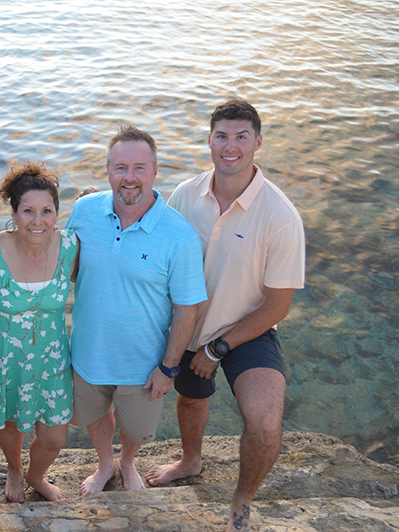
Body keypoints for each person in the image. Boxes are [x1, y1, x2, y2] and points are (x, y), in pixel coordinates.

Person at [146, 100, 305, 532]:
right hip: (190, 325)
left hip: (246, 330)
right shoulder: (186, 195)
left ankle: (241, 498)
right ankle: (191, 460)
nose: (230, 146)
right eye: (221, 136)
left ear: (257, 142)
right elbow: (156, 243)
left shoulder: (281, 217)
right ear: (210, 140)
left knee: (266, 425)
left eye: (240, 137)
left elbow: (277, 306)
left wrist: (219, 347)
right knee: (192, 396)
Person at [66, 125, 207, 495]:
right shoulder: (83, 210)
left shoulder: (180, 236)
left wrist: (168, 367)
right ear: (108, 171)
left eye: (139, 168)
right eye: (121, 168)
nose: (130, 178)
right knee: (95, 415)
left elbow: (187, 308)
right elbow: (68, 268)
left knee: (135, 428)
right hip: (88, 350)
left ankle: (127, 463)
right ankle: (105, 466)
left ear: (155, 172)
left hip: (143, 364)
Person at [0, 163, 78, 503]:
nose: (38, 220)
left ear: (57, 213)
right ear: (14, 213)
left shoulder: (70, 248)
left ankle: (37, 475)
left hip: (52, 360)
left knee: (55, 436)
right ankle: (15, 469)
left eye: (47, 211)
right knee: (10, 426)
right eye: (28, 211)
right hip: (4, 357)